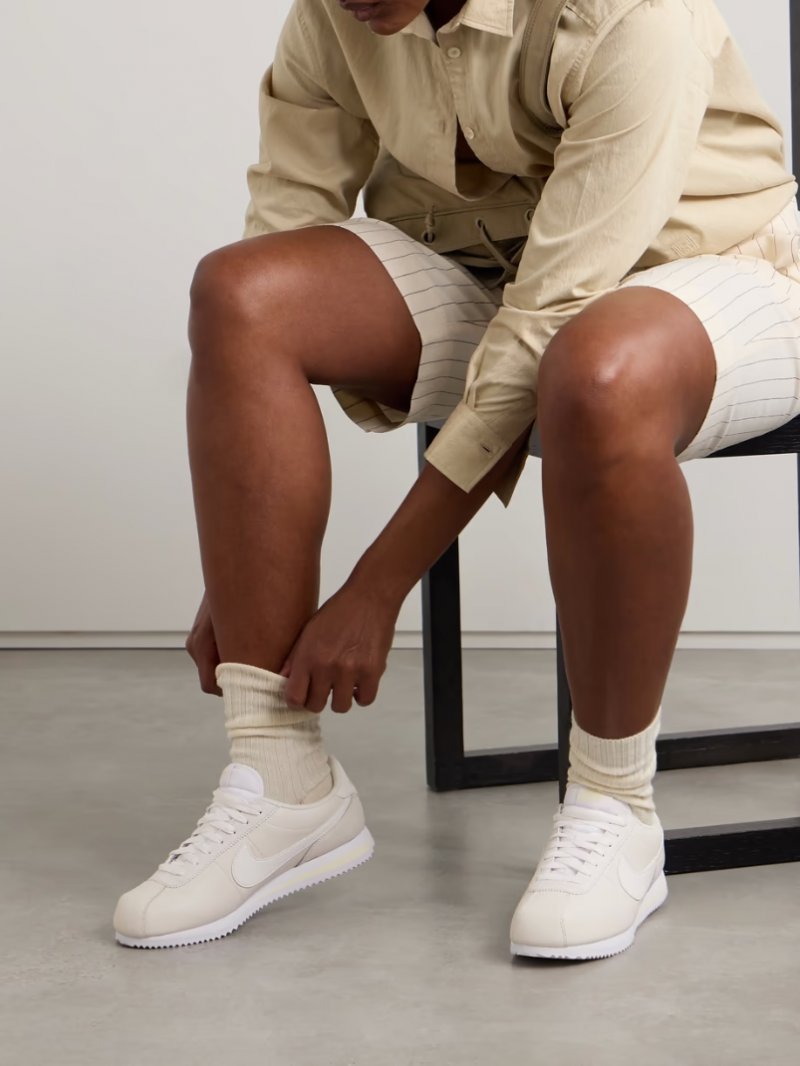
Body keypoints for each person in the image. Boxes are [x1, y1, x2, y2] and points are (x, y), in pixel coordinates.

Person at [113, 0, 800, 958]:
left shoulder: (627, 15)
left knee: (595, 370)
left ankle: (613, 805)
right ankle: (281, 776)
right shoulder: (337, 9)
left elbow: (552, 321)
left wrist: (375, 587)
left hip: (710, 270)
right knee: (242, 292)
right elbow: (287, 230)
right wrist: (243, 577)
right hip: (488, 271)